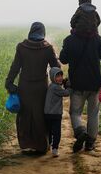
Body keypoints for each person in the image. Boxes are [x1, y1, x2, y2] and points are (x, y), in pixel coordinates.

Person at [5, 22, 61, 154]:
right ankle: (41, 146)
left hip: (25, 86)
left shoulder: (22, 47)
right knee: (40, 115)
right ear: (43, 33)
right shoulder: (47, 48)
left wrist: (9, 82)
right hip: (41, 87)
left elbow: (15, 67)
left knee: (25, 114)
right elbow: (56, 66)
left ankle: (26, 144)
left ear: (31, 32)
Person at [59, 28, 101, 153]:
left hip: (77, 84)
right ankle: (90, 143)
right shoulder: (97, 39)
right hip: (95, 83)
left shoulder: (69, 40)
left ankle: (80, 132)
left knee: (75, 112)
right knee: (93, 113)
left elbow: (63, 59)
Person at [44, 67, 70, 157]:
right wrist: (69, 86)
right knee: (57, 133)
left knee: (50, 131)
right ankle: (55, 149)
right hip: (55, 114)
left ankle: (49, 145)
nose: (60, 78)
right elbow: (66, 93)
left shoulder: (51, 86)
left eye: (61, 76)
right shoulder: (56, 87)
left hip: (47, 114)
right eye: (57, 76)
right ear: (52, 77)